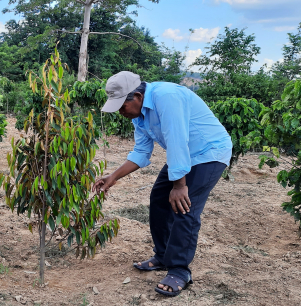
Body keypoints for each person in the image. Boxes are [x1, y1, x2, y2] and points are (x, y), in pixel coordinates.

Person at [93, 71, 232, 297]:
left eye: (121, 106)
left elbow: (177, 140)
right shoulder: (139, 115)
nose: (120, 112)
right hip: (185, 154)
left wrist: (179, 186)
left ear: (137, 96)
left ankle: (179, 270)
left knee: (185, 206)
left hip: (209, 152)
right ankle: (163, 256)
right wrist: (113, 177)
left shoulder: (167, 97)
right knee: (159, 198)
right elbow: (140, 151)